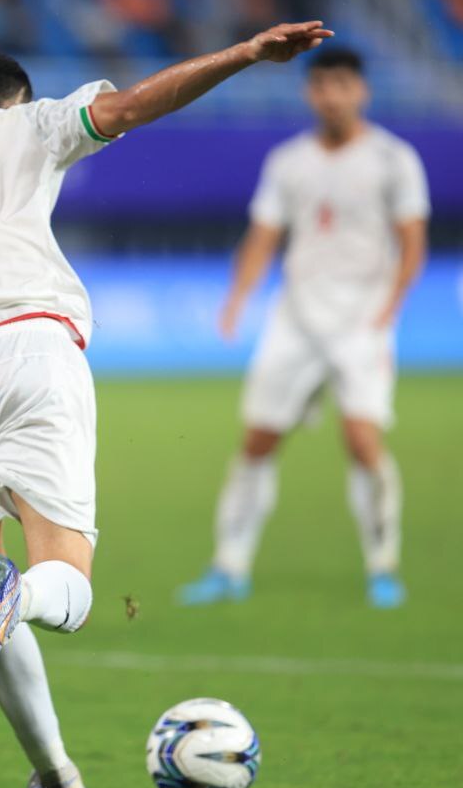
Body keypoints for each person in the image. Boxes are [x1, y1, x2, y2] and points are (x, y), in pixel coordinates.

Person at [0, 23, 333, 788]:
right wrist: (246, 54)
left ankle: (58, 778)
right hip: (31, 354)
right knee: (62, 582)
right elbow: (134, 105)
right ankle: (23, 595)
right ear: (14, 102)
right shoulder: (28, 125)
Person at [179, 47, 428, 609]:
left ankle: (383, 564)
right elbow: (264, 235)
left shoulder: (394, 159)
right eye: (320, 85)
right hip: (295, 319)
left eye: (341, 84)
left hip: (361, 321)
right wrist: (238, 296)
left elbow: (412, 240)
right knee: (258, 441)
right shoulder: (289, 161)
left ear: (361, 90)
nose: (330, 96)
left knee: (362, 440)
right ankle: (229, 565)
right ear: (308, 93)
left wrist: (391, 305)